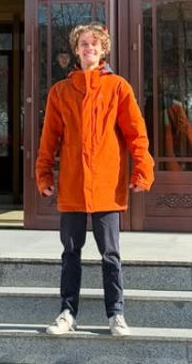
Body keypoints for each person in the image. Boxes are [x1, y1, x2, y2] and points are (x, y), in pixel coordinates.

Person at [36, 22, 154, 336]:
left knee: (110, 254)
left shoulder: (118, 87)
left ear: (103, 50)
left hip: (106, 184)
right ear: (76, 50)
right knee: (70, 253)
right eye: (83, 44)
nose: (89, 48)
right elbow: (49, 139)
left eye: (94, 44)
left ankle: (116, 314)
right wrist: (44, 173)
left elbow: (136, 133)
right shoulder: (60, 92)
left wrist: (142, 169)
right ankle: (66, 313)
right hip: (73, 183)